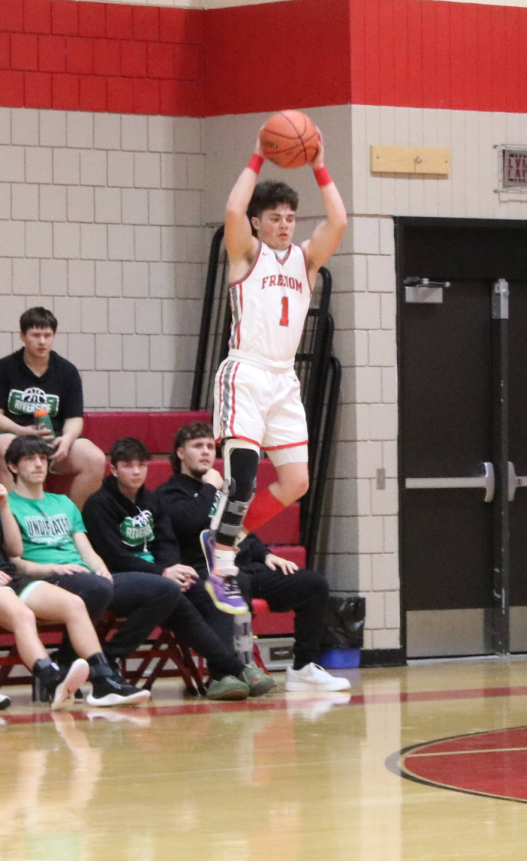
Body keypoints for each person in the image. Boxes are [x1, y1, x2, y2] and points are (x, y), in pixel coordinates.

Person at [204, 126, 346, 614]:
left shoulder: (306, 260)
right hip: (245, 371)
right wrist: (256, 156)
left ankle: (229, 534)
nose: (285, 225)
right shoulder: (246, 254)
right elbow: (230, 212)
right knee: (242, 478)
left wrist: (320, 164)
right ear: (259, 223)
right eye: (276, 218)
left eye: (290, 218)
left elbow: (339, 221)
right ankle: (222, 561)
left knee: (296, 483)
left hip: (285, 379)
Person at [78, 436, 276, 701]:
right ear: (113, 470)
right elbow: (115, 557)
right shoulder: (98, 505)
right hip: (119, 578)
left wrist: (173, 568)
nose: (136, 471)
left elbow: (168, 542)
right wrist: (162, 573)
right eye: (127, 466)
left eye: (141, 465)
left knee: (213, 590)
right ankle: (234, 668)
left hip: (162, 581)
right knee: (168, 592)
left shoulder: (151, 500)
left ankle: (223, 675)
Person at [159, 422, 349, 692]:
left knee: (313, 585)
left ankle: (302, 668)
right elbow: (189, 523)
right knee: (232, 586)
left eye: (210, 447)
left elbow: (242, 527)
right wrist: (211, 488)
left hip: (247, 566)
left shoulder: (225, 490)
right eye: (197, 446)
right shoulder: (170, 493)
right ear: (180, 453)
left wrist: (266, 554)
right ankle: (225, 673)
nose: (205, 453)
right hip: (208, 570)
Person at [0, 480, 115, 710]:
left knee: (73, 604)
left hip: (10, 577)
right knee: (22, 615)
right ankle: (53, 680)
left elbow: (15, 550)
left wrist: (3, 505)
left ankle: (106, 682)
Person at [0, 307, 105, 509]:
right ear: (23, 336)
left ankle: (69, 523)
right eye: (36, 335)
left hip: (53, 441)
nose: (42, 342)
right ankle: (17, 522)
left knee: (95, 458)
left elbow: (74, 418)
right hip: (16, 438)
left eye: (47, 335)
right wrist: (21, 430)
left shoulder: (67, 371)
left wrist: (66, 440)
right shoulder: (5, 368)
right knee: (2, 446)